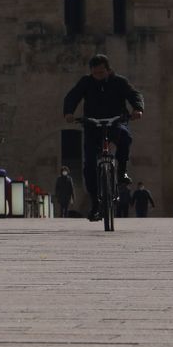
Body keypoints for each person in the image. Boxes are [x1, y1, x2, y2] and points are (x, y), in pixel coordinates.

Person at [62, 53, 145, 223]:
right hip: (93, 124)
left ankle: (122, 171)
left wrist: (137, 109)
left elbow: (134, 94)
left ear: (108, 70)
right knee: (90, 166)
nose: (98, 76)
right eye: (95, 73)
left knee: (125, 138)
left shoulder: (119, 82)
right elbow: (73, 96)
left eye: (101, 73)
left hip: (116, 122)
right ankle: (95, 203)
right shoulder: (86, 82)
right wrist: (69, 112)